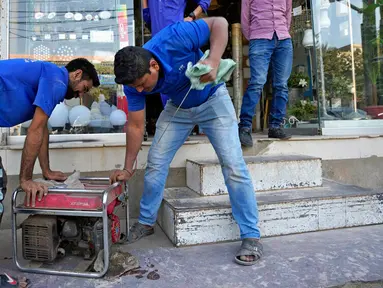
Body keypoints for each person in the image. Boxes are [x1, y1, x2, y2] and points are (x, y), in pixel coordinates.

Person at [111, 17, 263, 265]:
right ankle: (146, 222)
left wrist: (213, 60)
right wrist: (128, 167)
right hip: (177, 109)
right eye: (134, 87)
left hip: (214, 101)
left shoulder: (175, 37)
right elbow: (136, 126)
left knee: (234, 165)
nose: (139, 91)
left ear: (154, 65)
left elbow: (220, 23)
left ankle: (251, 235)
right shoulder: (132, 83)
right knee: (156, 163)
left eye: (141, 84)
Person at [0, 58, 100, 207]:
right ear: (77, 74)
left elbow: (41, 128)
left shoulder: (51, 75)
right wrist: (26, 180)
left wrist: (46, 170)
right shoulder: (57, 81)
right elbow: (35, 130)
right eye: (84, 89)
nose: (80, 95)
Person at [238, 0, 293, 147]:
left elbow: (288, 14)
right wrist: (254, 36)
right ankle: (244, 126)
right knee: (257, 82)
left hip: (283, 39)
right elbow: (245, 15)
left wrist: (283, 32)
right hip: (259, 37)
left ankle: (276, 126)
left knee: (281, 84)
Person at [142, 0, 211, 107]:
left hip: (178, 44)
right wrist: (145, 7)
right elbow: (147, 16)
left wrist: (192, 16)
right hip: (158, 48)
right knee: (165, 93)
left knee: (187, 89)